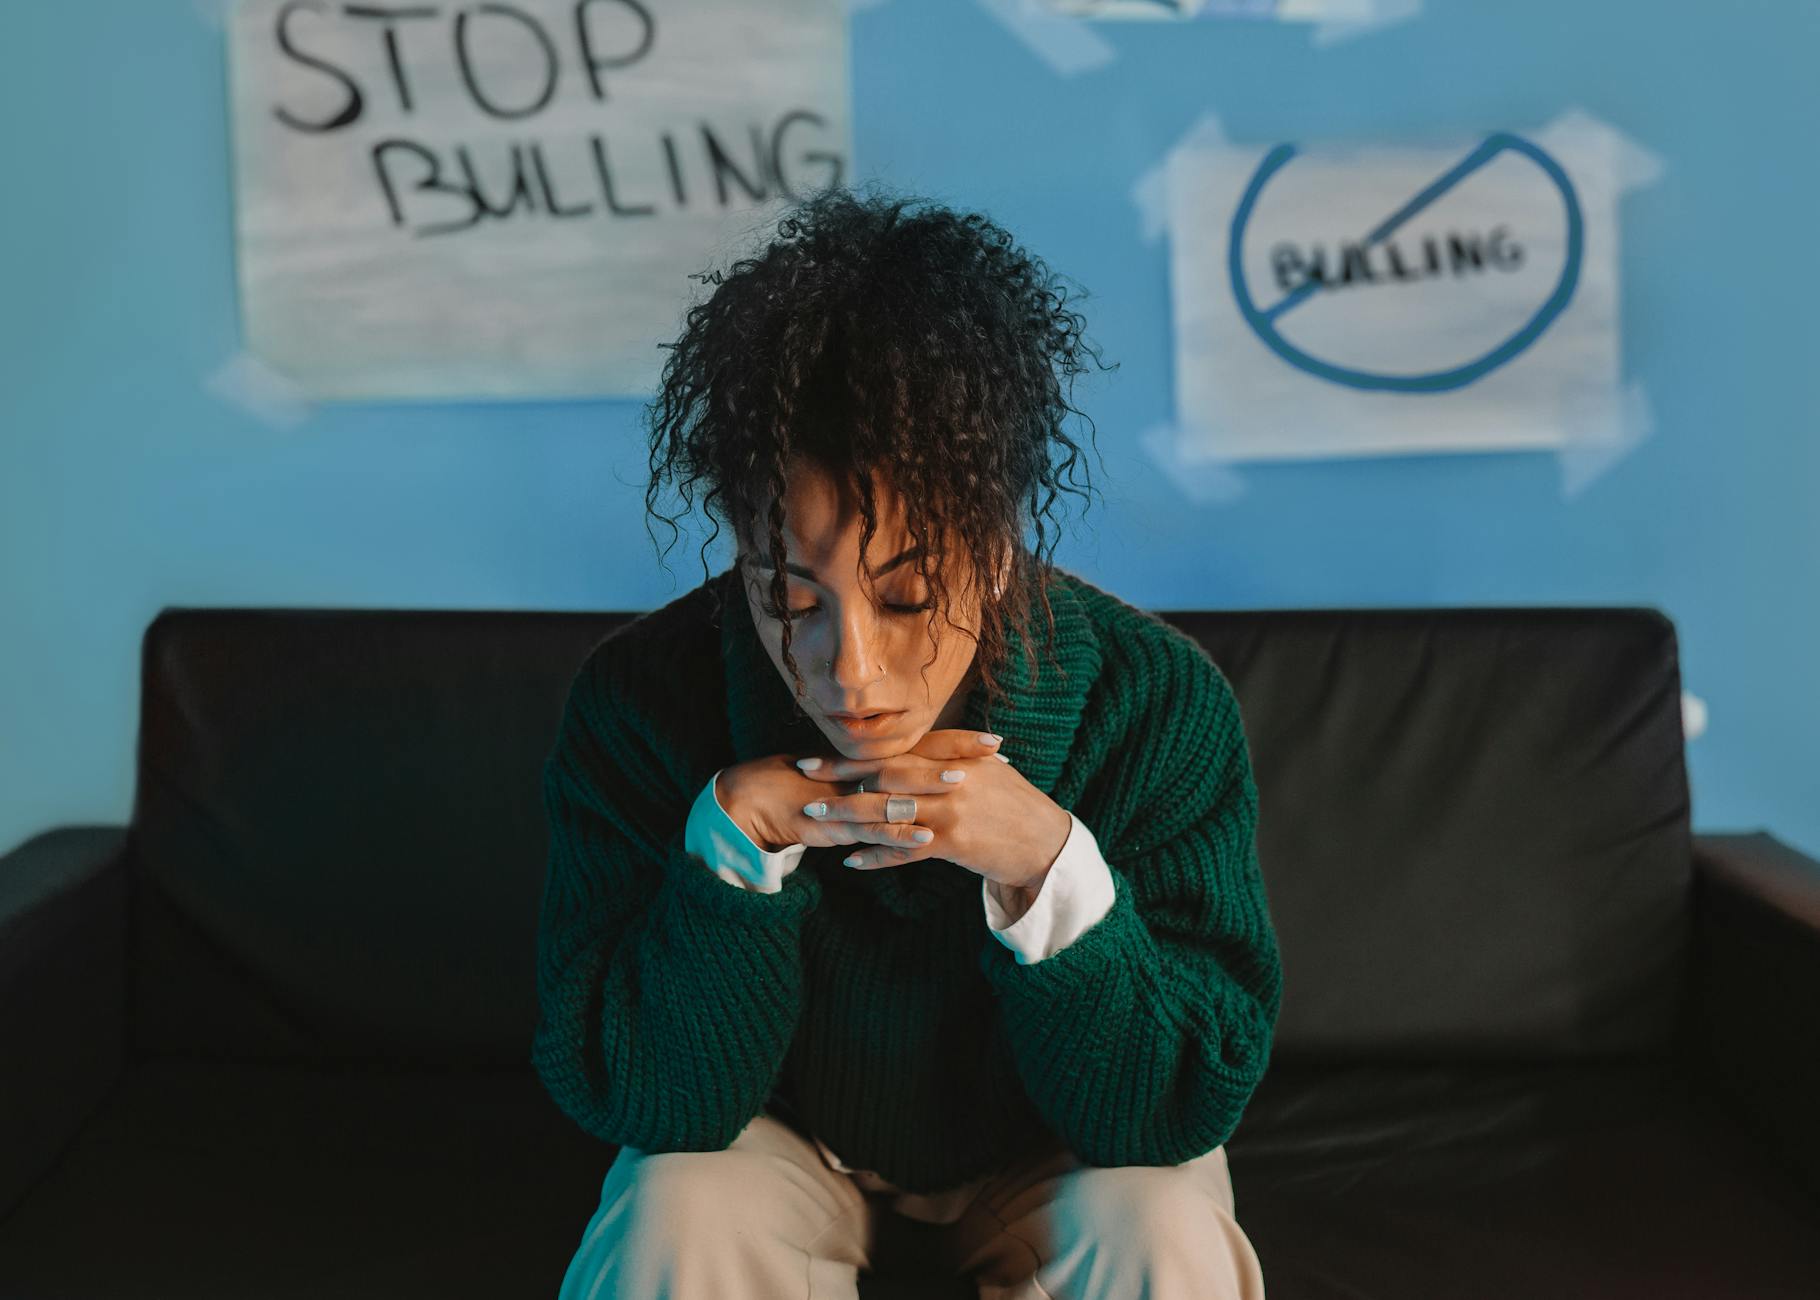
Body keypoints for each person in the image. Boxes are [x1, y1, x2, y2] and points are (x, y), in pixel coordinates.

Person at [532, 182, 1282, 1298]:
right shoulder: (636, 705)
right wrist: (728, 856)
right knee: (673, 1212)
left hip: (1058, 1154)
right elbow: (651, 1108)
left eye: (909, 594)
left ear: (995, 543)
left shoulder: (1157, 705)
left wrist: (1046, 868)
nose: (851, 670)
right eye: (789, 598)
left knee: (1160, 1225)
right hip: (777, 1145)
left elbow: (1170, 1108)